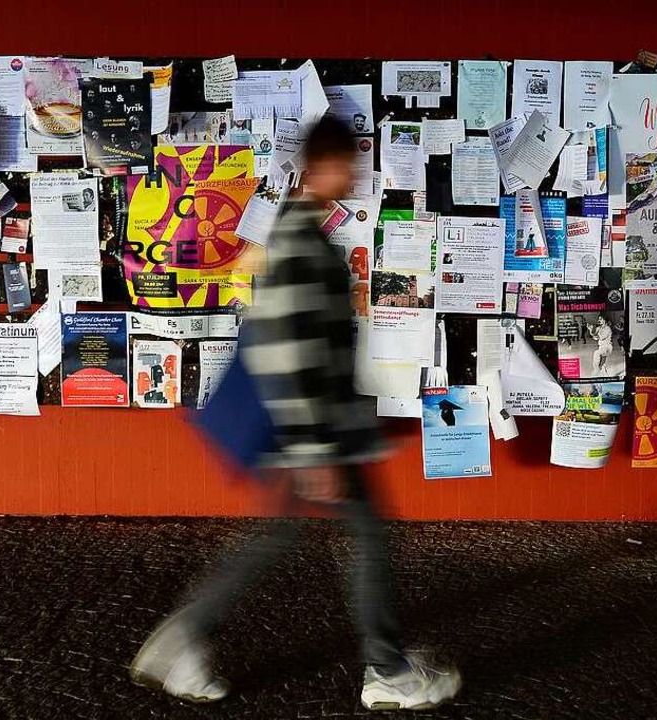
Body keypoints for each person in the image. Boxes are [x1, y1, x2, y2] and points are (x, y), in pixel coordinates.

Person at [129, 116, 461, 711]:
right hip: (313, 434)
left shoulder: (300, 233)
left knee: (283, 535)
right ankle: (387, 672)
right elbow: (290, 350)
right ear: (322, 166)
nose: (355, 175)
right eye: (348, 163)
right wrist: (314, 449)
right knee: (360, 534)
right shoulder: (302, 243)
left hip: (315, 430)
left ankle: (183, 641)